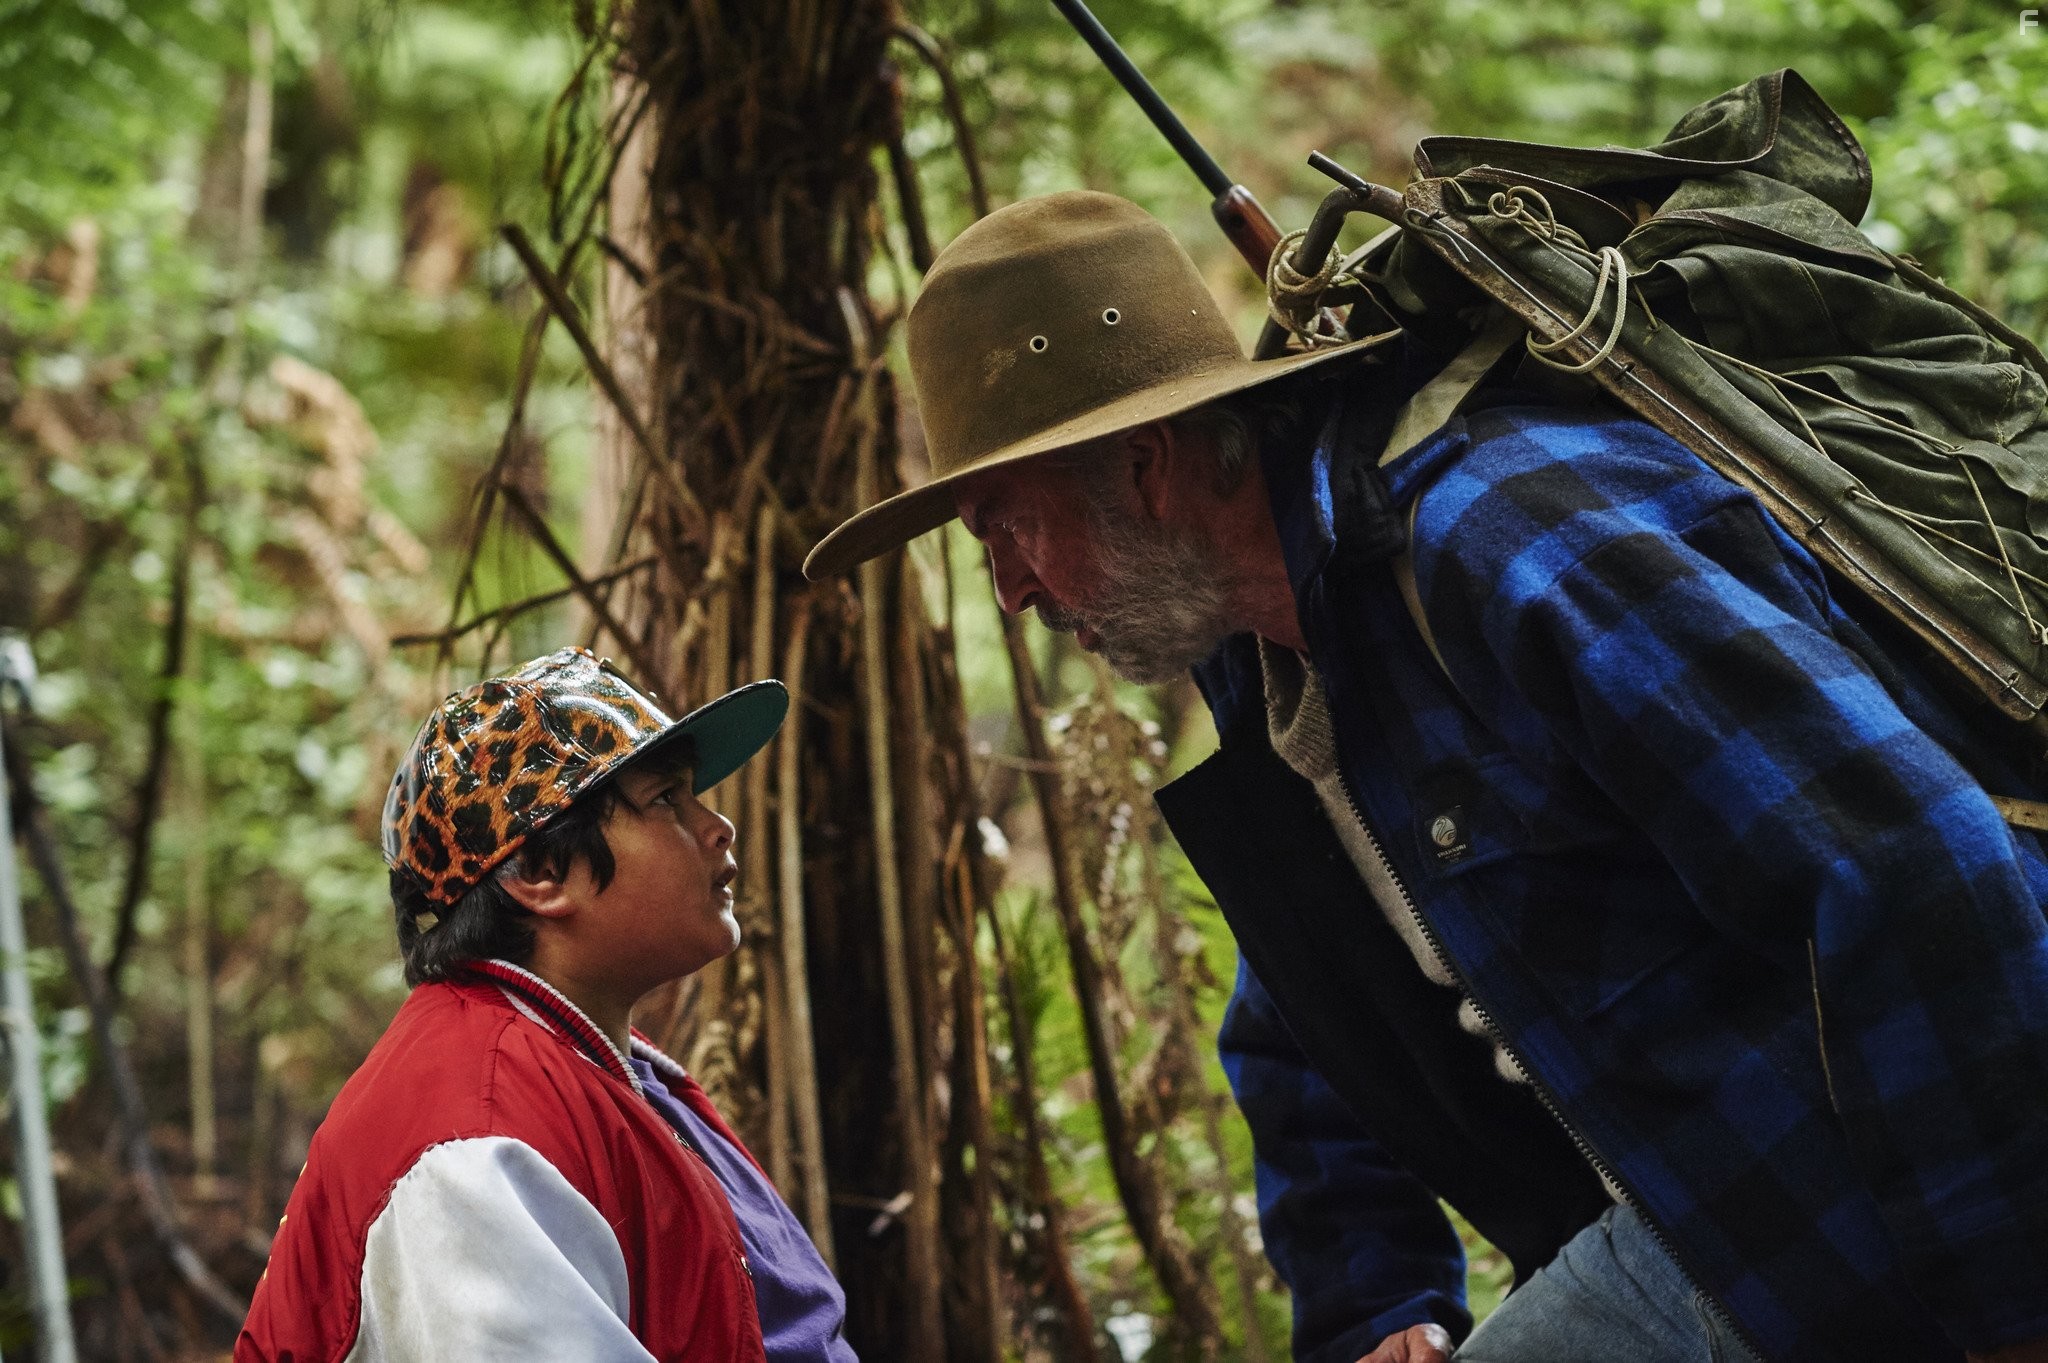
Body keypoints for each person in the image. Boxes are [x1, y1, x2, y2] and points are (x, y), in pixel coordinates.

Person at [802, 191, 2048, 1363]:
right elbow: (1309, 1013)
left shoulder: (1509, 539)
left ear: (1145, 466)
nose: (1012, 592)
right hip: (1697, 1218)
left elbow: (1908, 864)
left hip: (1866, 1228)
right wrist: (1376, 1299)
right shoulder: (1265, 662)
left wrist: (2004, 1312)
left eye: (1006, 527)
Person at [237, 646, 856, 1362]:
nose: (719, 826)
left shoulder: (601, 1066)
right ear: (538, 871)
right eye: (666, 799)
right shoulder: (471, 1146)